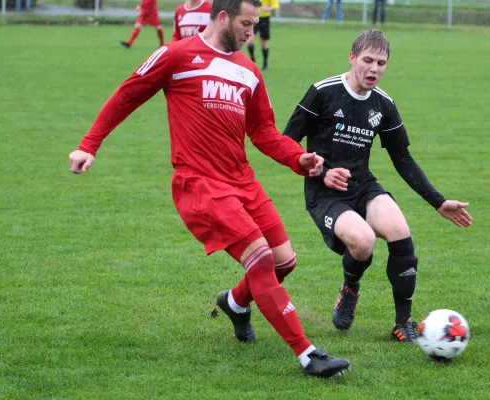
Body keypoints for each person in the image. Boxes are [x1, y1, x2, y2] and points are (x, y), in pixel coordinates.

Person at [69, 0, 351, 378]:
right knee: (262, 260)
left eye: (255, 24)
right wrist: (89, 144)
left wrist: (299, 159)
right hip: (199, 183)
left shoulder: (248, 70)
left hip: (243, 181)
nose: (253, 32)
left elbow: (264, 131)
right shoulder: (176, 55)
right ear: (223, 17)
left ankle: (235, 303)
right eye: (246, 24)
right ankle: (307, 354)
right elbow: (128, 94)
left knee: (285, 262)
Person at [283, 29, 472, 343]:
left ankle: (403, 323)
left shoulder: (383, 104)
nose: (374, 69)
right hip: (324, 192)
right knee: (364, 242)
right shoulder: (323, 92)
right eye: (367, 60)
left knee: (400, 232)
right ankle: (350, 288)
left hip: (363, 186)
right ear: (352, 57)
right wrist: (319, 171)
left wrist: (438, 202)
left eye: (381, 63)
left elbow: (402, 157)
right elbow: (286, 141)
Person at [245, 0, 278, 71]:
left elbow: (276, 5)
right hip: (254, 18)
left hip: (264, 20)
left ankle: (265, 63)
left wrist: (268, 9)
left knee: (263, 43)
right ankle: (252, 61)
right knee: (249, 41)